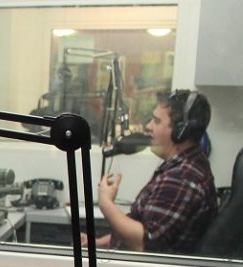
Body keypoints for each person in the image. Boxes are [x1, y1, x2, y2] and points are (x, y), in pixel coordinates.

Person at [85, 90, 217, 253]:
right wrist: (97, 243)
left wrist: (106, 203)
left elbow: (145, 243)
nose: (148, 126)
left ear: (180, 131)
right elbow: (141, 227)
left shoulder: (181, 178)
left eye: (156, 121)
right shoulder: (180, 167)